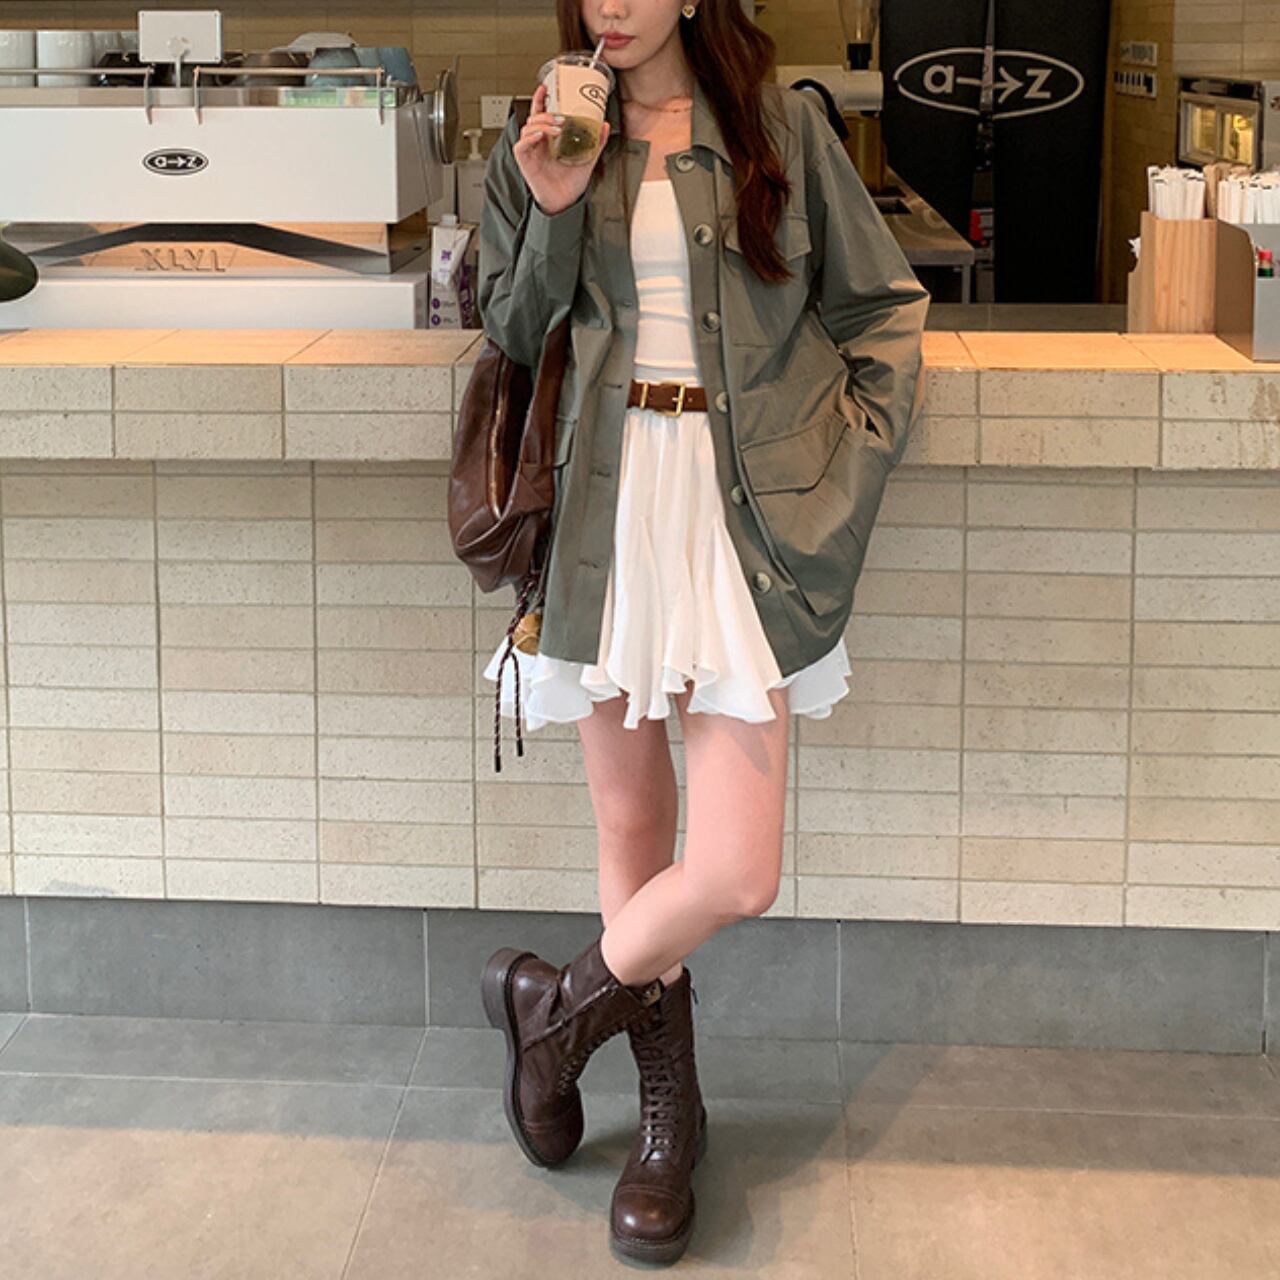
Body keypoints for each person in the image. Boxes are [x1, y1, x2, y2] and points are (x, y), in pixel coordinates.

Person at [473, 0, 930, 1264]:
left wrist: (848, 466)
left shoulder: (777, 126)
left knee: (734, 868)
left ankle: (550, 1017)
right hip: (606, 507)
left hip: (742, 513)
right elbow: (511, 329)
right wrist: (551, 203)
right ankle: (666, 1125)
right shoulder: (545, 134)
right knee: (631, 831)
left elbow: (881, 309)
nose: (609, 7)